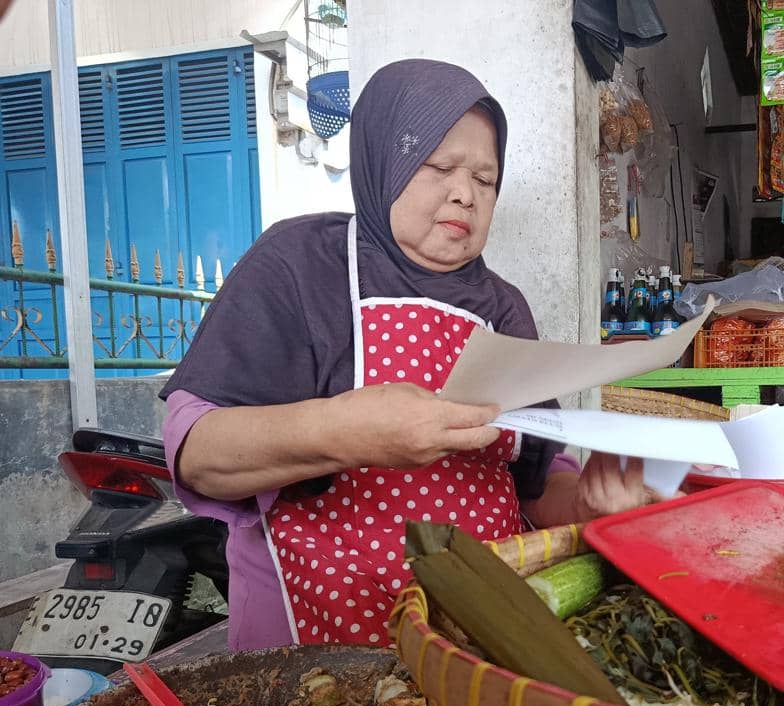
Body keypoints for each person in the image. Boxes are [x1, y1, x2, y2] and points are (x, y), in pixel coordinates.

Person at [161, 60, 654, 651]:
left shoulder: (503, 307)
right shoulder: (300, 265)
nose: (464, 193)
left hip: (472, 637)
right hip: (316, 637)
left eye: (486, 178)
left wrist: (590, 505)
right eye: (439, 167)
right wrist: (345, 431)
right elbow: (196, 455)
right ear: (382, 162)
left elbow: (538, 486)